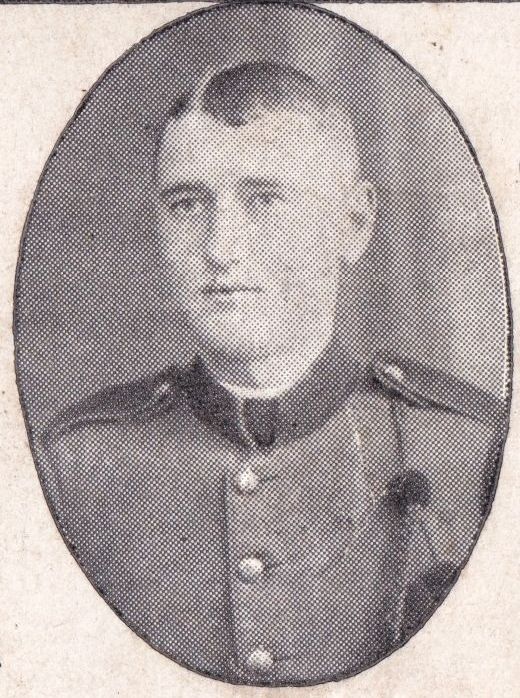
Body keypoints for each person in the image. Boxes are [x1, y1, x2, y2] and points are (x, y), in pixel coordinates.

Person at [42, 61, 505, 685]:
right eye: (186, 205)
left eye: (263, 200)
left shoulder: (474, 447)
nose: (220, 247)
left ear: (353, 224)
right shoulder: (77, 465)